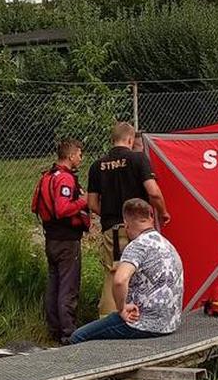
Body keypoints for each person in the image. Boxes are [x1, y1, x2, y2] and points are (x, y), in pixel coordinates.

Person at [70, 198, 184, 344]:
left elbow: (120, 280)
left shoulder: (137, 246)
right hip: (170, 323)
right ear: (150, 217)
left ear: (126, 224)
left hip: (141, 323)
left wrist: (122, 308)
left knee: (77, 337)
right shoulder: (167, 244)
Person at [86, 122, 169, 316]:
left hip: (112, 231)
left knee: (113, 274)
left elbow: (91, 203)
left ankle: (107, 320)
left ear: (112, 140)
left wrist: (109, 214)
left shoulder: (97, 165)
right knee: (143, 273)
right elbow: (153, 192)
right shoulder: (138, 159)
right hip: (139, 230)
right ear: (131, 140)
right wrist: (163, 213)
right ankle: (144, 317)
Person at [32, 138, 90, 343]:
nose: (81, 159)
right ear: (71, 155)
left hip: (51, 239)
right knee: (68, 286)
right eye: (80, 155)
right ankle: (68, 332)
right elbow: (62, 208)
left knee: (54, 284)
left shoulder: (48, 176)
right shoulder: (65, 179)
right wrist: (83, 201)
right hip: (66, 240)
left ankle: (54, 329)